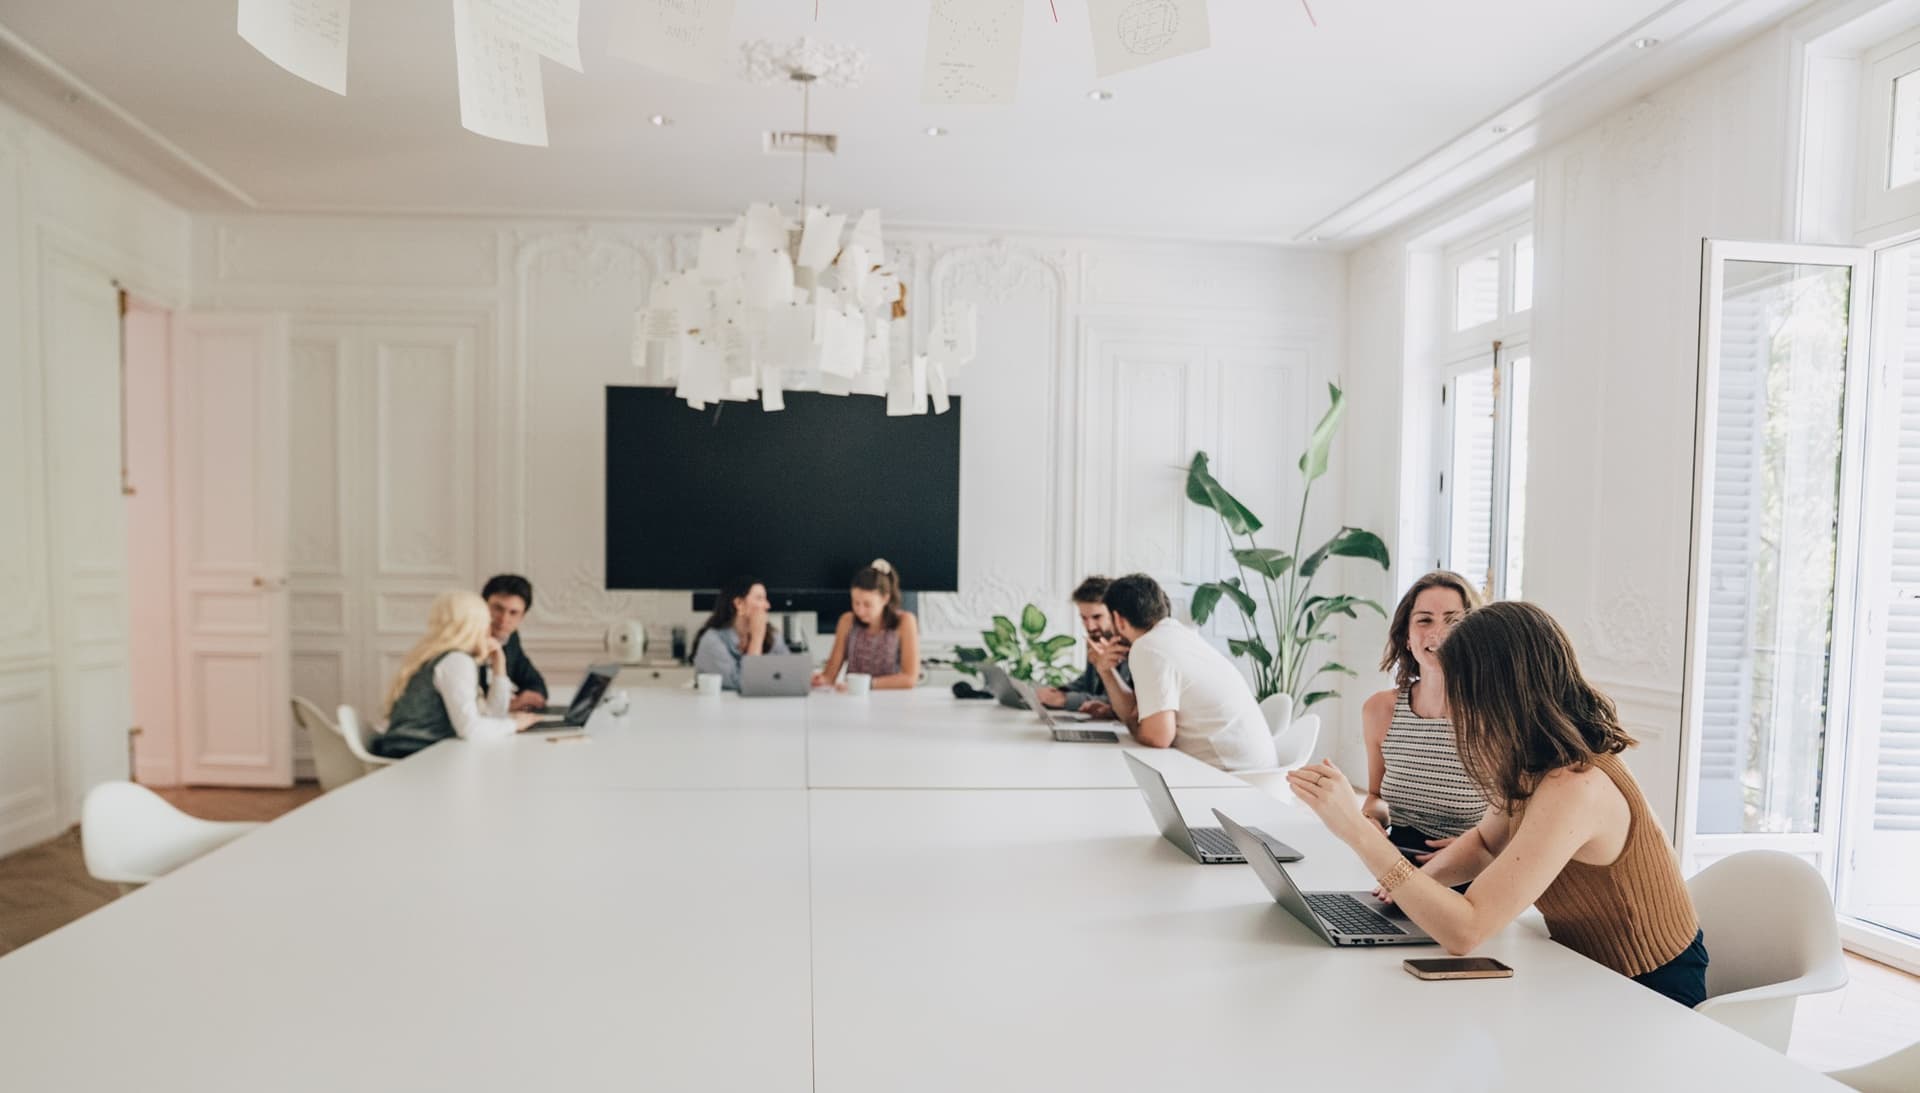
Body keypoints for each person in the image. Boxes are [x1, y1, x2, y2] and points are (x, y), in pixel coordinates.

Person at [1285, 602, 1709, 1007]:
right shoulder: (1531, 758)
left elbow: (1467, 929)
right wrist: (1409, 889)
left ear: (1503, 694)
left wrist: (1361, 836)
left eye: (1464, 691)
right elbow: (1487, 843)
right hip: (1583, 972)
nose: (1457, 707)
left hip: (1647, 990)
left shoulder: (1575, 786)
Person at [1362, 571, 1487, 864]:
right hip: (1395, 860)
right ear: (1407, 636)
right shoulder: (1380, 710)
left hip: (1471, 867)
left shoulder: (1495, 715)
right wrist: (1370, 820)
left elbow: (1523, 819)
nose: (1438, 633)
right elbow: (1375, 796)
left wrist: (1480, 848)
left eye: (1453, 620)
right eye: (1424, 619)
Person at [1092, 573, 1276, 772]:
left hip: (1233, 778)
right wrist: (1106, 671)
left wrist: (1134, 723)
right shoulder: (1178, 635)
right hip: (1256, 772)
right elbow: (1136, 715)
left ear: (1118, 619)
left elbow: (1157, 737)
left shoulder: (1148, 647)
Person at [368, 590, 543, 758]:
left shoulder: (440, 656)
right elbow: (471, 730)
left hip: (413, 751)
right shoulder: (456, 661)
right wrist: (514, 724)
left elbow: (493, 717)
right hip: (415, 756)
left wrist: (499, 665)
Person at [813, 559, 921, 691]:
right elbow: (829, 676)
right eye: (856, 603)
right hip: (854, 700)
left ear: (885, 599)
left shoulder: (905, 621)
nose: (860, 610)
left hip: (891, 700)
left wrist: (866, 685)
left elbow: (909, 679)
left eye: (867, 604)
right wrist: (820, 679)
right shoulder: (847, 621)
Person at [1034, 576, 1131, 720]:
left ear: (1115, 614)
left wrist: (1065, 700)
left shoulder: (1130, 648)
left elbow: (1122, 702)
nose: (1090, 627)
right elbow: (1088, 682)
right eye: (1084, 618)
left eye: (1097, 617)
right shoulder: (1097, 639)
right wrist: (1059, 691)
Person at [692, 576, 790, 691]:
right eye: (760, 598)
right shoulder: (712, 641)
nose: (767, 605)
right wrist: (757, 638)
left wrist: (807, 678)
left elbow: (787, 672)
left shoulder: (772, 636)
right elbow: (746, 684)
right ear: (739, 604)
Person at [481, 574, 548, 713]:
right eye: (497, 608)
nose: (504, 619)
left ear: (522, 617)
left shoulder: (510, 639)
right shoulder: (462, 641)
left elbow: (536, 684)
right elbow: (465, 707)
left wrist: (526, 698)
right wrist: (509, 706)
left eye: (513, 612)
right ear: (481, 606)